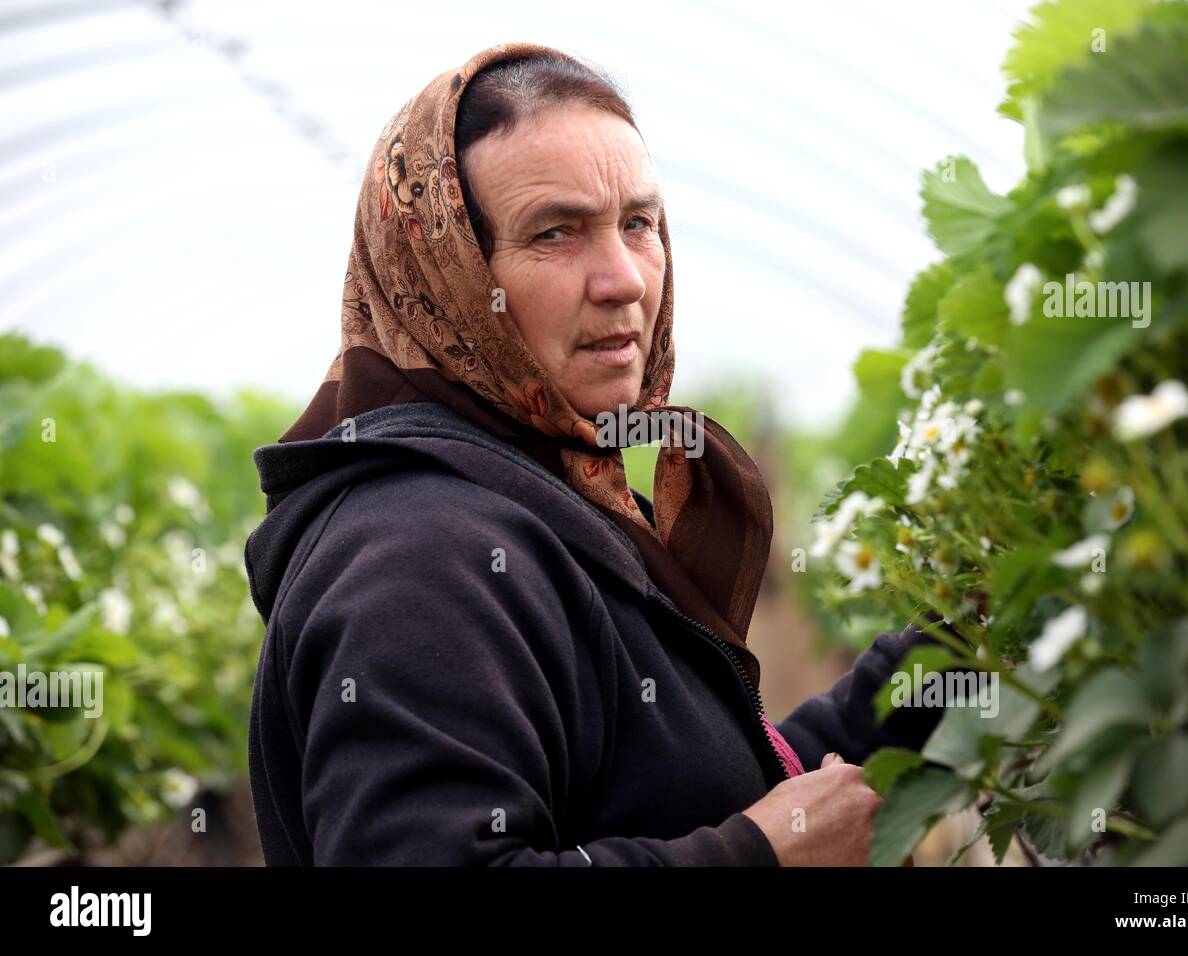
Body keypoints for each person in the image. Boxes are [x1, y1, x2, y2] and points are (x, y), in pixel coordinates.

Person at [243, 41, 947, 867]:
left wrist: (951, 646)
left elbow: (705, 795)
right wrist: (762, 857)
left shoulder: (547, 493)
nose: (624, 280)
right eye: (555, 233)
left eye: (638, 224)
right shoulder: (420, 554)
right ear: (449, 271)